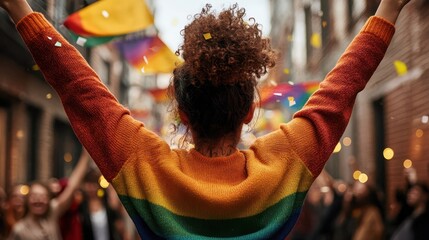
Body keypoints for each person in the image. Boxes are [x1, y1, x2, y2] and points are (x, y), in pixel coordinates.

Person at [0, 0, 412, 238]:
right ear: (251, 111)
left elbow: (81, 88)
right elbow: (343, 86)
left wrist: (19, 7)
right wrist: (388, 8)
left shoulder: (148, 167)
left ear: (180, 113)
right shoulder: (283, 165)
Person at [8, 148, 90, 240]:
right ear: (27, 200)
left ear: (48, 200)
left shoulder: (52, 213)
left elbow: (71, 187)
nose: (38, 199)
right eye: (34, 196)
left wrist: (85, 155)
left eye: (43, 196)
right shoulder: (19, 230)